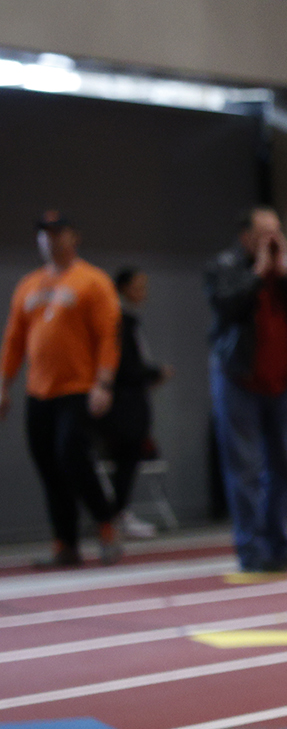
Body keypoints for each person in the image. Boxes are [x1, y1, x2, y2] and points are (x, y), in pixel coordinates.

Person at [208, 206, 287, 572]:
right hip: (240, 381)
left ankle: (279, 546)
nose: (273, 241)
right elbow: (224, 306)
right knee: (245, 469)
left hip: (281, 384)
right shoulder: (225, 267)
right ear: (246, 237)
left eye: (277, 233)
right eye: (265, 234)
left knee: (282, 468)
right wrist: (259, 273)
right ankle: (251, 550)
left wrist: (286, 273)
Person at [0, 211, 122, 566]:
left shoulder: (92, 281)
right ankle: (65, 543)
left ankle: (105, 522)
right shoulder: (28, 285)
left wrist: (104, 383)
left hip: (78, 388)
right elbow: (14, 341)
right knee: (49, 466)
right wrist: (5, 385)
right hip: (39, 392)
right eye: (43, 234)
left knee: (72, 454)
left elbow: (108, 336)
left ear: (73, 237)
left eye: (57, 233)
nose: (49, 240)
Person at [101, 267, 171, 537]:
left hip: (130, 398)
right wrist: (155, 372)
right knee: (125, 457)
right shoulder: (116, 321)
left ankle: (116, 513)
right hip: (122, 404)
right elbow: (123, 367)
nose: (144, 293)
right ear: (123, 288)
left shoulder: (129, 321)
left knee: (128, 458)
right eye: (138, 286)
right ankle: (115, 514)